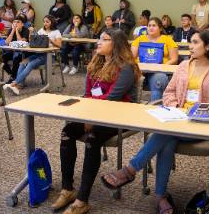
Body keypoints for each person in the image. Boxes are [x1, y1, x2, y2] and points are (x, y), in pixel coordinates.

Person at [101, 30, 209, 214]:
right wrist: (176, 109)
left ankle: (131, 170)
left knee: (164, 134)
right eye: (190, 42)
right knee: (167, 139)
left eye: (195, 42)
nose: (190, 46)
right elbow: (169, 93)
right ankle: (160, 196)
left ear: (208, 46)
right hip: (177, 120)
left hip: (202, 124)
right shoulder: (183, 66)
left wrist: (198, 113)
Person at [51, 29, 141, 214]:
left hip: (120, 116)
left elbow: (112, 99)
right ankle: (68, 189)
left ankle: (82, 200)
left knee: (93, 137)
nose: (98, 42)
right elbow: (86, 95)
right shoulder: (95, 63)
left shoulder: (126, 68)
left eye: (105, 39)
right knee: (67, 132)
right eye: (99, 39)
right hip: (94, 114)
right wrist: (84, 115)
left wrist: (89, 118)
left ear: (116, 45)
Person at [4, 15, 62, 95]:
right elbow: (33, 41)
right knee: (23, 63)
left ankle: (14, 83)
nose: (45, 23)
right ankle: (17, 85)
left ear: (52, 22)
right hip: (39, 54)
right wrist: (31, 33)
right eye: (44, 21)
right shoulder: (41, 30)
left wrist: (50, 41)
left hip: (49, 55)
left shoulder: (56, 32)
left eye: (47, 22)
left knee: (30, 64)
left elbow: (59, 45)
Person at [131, 17, 178, 101]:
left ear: (160, 28)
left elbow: (174, 59)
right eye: (149, 25)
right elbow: (132, 57)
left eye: (154, 25)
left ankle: (154, 107)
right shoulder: (140, 39)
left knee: (159, 80)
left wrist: (160, 67)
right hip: (139, 70)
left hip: (158, 71)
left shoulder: (168, 40)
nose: (151, 27)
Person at [2, 15, 29, 81]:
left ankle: (13, 78)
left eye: (18, 22)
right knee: (1, 58)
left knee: (16, 58)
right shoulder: (11, 30)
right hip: (12, 51)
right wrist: (13, 30)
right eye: (14, 22)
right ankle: (11, 73)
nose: (15, 24)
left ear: (22, 24)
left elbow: (21, 43)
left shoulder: (25, 30)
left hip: (23, 53)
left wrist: (16, 31)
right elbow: (7, 43)